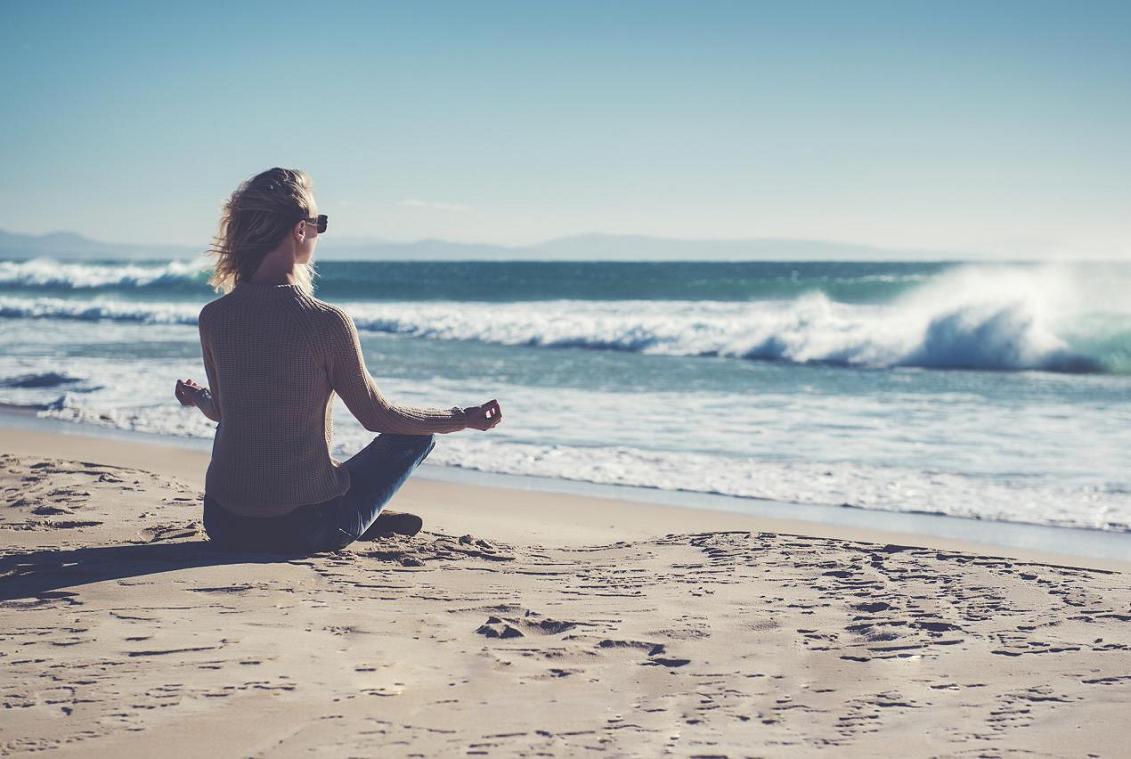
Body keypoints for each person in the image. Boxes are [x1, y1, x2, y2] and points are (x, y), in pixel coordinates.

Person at [174, 167, 502, 554]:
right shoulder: (325, 321)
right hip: (303, 530)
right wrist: (461, 418)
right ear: (299, 230)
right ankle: (362, 518)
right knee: (414, 436)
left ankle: (366, 516)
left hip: (224, 523)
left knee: (258, 437)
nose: (318, 233)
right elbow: (376, 417)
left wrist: (197, 397)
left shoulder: (214, 316)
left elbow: (223, 414)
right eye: (319, 223)